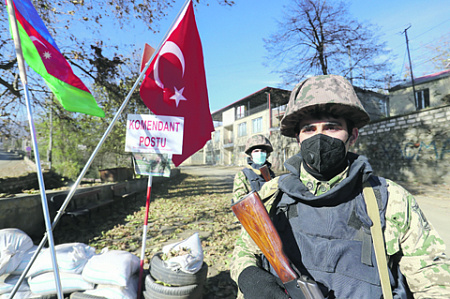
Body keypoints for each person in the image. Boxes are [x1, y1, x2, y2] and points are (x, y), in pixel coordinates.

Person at [230, 75, 450, 299]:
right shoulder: (273, 194)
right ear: (297, 138)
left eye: (332, 127)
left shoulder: (389, 198)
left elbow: (434, 280)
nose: (319, 137)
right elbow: (245, 250)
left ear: (352, 135)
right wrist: (248, 276)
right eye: (309, 129)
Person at [232, 134, 276, 204]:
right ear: (250, 154)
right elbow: (240, 202)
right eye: (256, 151)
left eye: (262, 151)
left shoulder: (270, 173)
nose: (260, 153)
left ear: (267, 154)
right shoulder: (243, 175)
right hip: (255, 213)